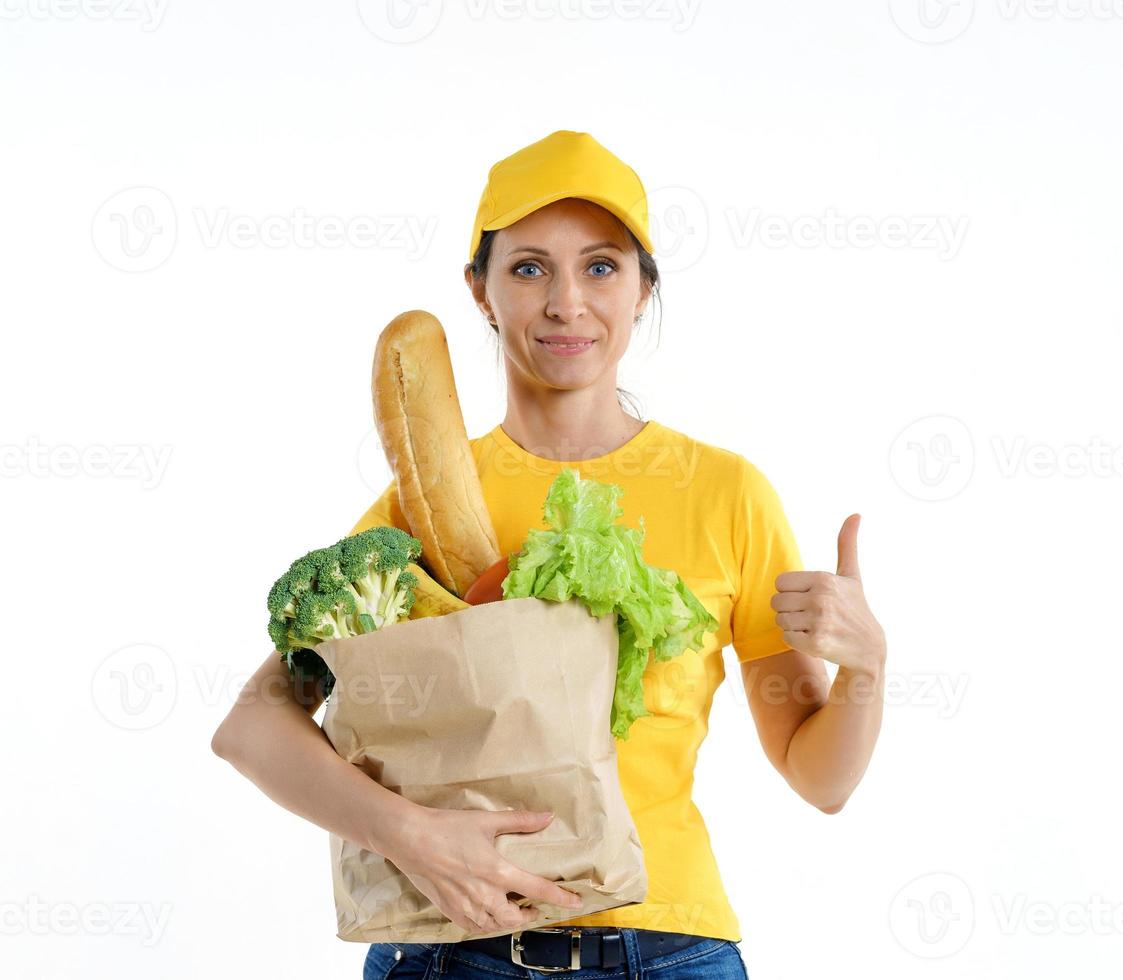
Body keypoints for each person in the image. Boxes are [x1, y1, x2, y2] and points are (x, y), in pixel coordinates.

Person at [212, 130, 888, 979]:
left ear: (643, 289)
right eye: (529, 268)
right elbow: (253, 726)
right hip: (456, 952)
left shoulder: (726, 494)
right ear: (481, 292)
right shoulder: (419, 507)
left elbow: (818, 778)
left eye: (601, 266)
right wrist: (410, 835)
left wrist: (868, 668)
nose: (568, 302)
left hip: (670, 949)